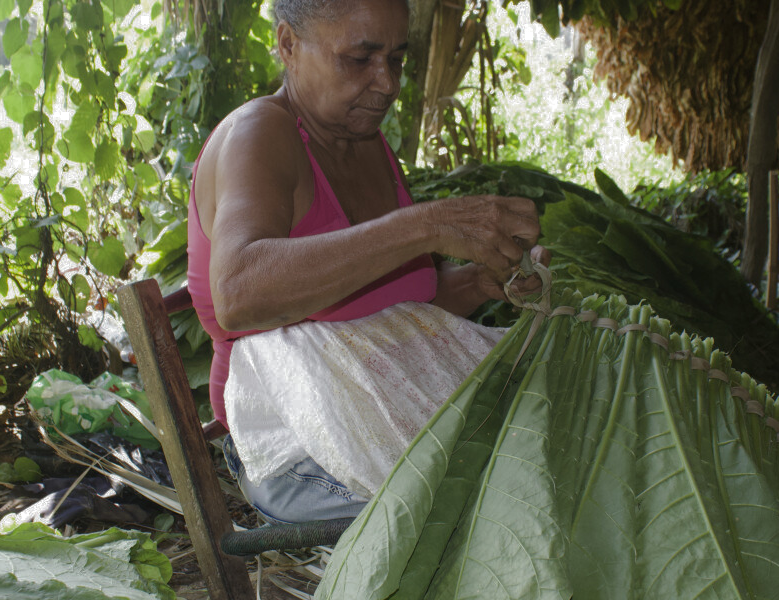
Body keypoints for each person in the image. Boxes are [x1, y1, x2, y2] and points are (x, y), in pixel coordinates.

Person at [185, 0, 548, 523]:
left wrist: (479, 282)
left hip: (389, 410)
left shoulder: (365, 141)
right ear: (288, 45)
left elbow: (391, 305)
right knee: (482, 512)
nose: (388, 84)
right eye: (360, 58)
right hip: (296, 448)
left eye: (397, 60)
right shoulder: (258, 134)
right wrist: (425, 224)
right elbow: (239, 294)